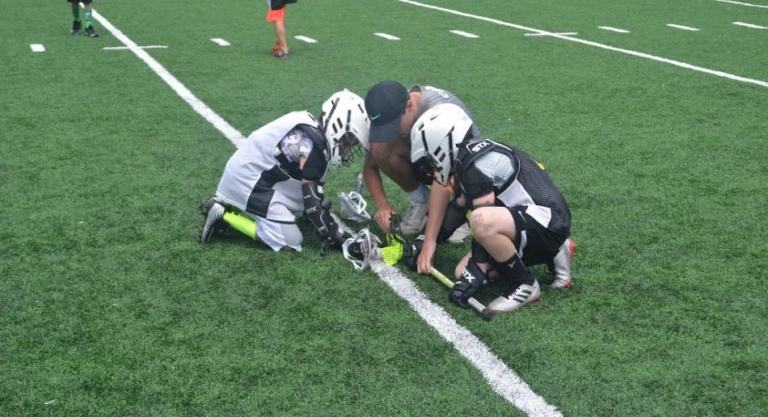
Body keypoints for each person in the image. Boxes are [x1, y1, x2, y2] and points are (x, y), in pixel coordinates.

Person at [411, 103, 575, 313]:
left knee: (480, 222)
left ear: (442, 144)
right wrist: (425, 241)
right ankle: (555, 252)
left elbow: (481, 218)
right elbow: (459, 209)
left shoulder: (475, 164)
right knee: (462, 271)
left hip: (548, 220)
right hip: (538, 221)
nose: (431, 170)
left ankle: (525, 284)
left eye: (430, 161)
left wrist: (477, 271)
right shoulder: (468, 159)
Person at [198, 89, 370, 252]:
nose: (346, 149)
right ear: (337, 126)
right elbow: (313, 207)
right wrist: (341, 238)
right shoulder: (315, 148)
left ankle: (235, 206)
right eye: (346, 142)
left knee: (317, 200)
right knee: (291, 241)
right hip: (249, 181)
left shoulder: (308, 123)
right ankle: (222, 214)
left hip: (250, 171)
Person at [362, 81, 479, 268]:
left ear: (409, 106)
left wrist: (428, 240)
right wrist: (383, 206)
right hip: (427, 160)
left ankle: (460, 212)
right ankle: (420, 200)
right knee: (380, 148)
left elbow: (444, 180)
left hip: (457, 171)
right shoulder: (392, 106)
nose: (391, 132)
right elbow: (369, 168)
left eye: (393, 126)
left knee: (458, 172)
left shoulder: (441, 113)